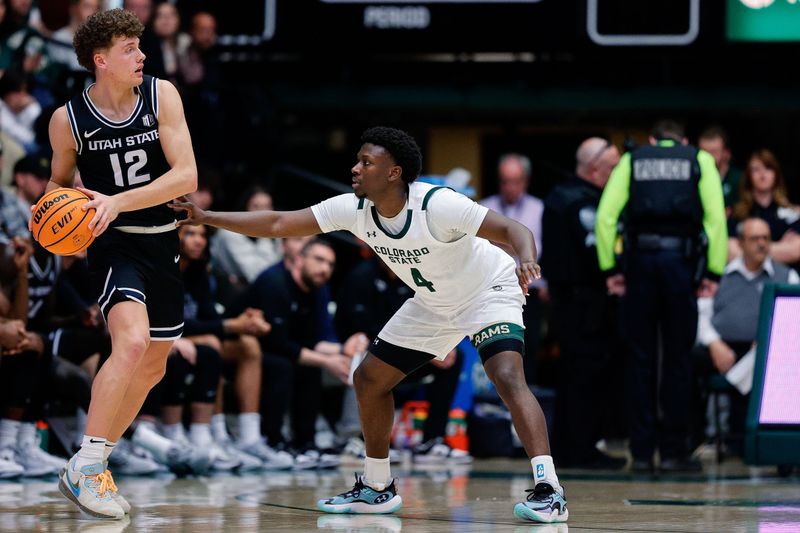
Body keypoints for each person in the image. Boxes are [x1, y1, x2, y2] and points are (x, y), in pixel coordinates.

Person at [172, 126, 567, 523]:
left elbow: (515, 230)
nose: (355, 168)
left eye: (366, 162)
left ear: (394, 173)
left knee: (505, 375)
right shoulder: (353, 208)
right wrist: (207, 217)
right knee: (368, 378)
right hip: (434, 301)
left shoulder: (437, 204)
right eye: (358, 159)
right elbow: (278, 223)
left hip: (489, 287)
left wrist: (527, 259)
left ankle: (548, 489)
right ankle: (377, 486)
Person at [44, 9, 197, 519]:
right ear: (100, 60)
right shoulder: (67, 119)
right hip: (114, 245)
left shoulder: (162, 95)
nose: (142, 55)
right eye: (129, 48)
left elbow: (186, 177)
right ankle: (86, 466)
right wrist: (52, 213)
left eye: (141, 45)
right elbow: (58, 184)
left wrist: (117, 199)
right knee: (129, 343)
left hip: (162, 243)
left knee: (153, 365)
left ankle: (94, 464)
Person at [595, 119, 727, 473]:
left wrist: (611, 269)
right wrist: (712, 272)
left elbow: (606, 218)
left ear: (652, 139)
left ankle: (640, 453)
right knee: (678, 358)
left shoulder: (632, 160)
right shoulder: (698, 159)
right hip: (680, 267)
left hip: (639, 266)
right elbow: (715, 221)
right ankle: (673, 452)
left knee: (639, 358)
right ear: (683, 140)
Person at [543, 137, 626, 470]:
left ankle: (570, 448)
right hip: (584, 305)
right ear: (596, 168)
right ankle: (582, 451)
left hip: (570, 304)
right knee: (585, 378)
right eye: (613, 167)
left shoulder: (560, 196)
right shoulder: (583, 203)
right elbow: (595, 252)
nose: (618, 174)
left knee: (575, 377)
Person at [694, 217, 799, 454]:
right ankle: (696, 439)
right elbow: (701, 314)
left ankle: (765, 442)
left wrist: (771, 340)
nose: (761, 244)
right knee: (687, 360)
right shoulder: (718, 274)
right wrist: (714, 344)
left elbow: (795, 320)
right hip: (723, 349)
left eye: (766, 238)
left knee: (770, 365)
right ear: (740, 243)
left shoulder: (788, 276)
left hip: (767, 351)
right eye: (755, 239)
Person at [480, 153, 545, 384]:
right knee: (497, 349)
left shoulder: (539, 209)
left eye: (515, 181)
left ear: (525, 181)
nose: (510, 187)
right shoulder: (485, 207)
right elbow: (481, 248)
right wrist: (518, 247)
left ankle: (529, 400)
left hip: (530, 291)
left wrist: (503, 243)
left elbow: (541, 249)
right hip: (492, 289)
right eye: (505, 181)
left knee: (530, 346)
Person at [727, 149, 800, 266]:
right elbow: (729, 250)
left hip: (782, 280)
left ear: (776, 174)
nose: (762, 175)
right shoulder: (738, 213)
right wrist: (780, 248)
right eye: (756, 170)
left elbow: (795, 251)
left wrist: (749, 248)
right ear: (749, 176)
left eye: (768, 168)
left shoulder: (790, 212)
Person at [697, 126, 741, 214]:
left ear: (726, 153)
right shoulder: (693, 178)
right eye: (703, 152)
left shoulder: (739, 179)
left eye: (713, 152)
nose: (707, 157)